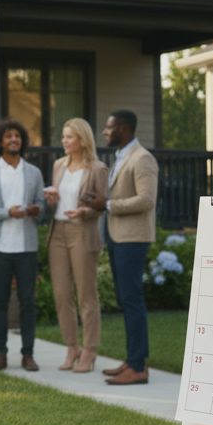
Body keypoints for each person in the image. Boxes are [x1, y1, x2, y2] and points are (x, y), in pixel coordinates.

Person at [0, 119, 47, 371]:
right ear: (0, 142)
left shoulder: (34, 173)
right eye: (8, 136)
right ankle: (0, 354)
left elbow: (42, 205)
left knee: (28, 301)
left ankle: (28, 355)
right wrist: (8, 212)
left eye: (17, 136)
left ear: (22, 141)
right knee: (0, 302)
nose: (13, 140)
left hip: (26, 248)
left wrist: (37, 209)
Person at [94, 109, 158, 386]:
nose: (105, 132)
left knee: (132, 301)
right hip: (118, 237)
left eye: (109, 128)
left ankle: (138, 366)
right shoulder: (121, 156)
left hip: (133, 239)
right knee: (126, 300)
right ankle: (132, 360)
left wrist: (107, 205)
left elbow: (147, 200)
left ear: (124, 128)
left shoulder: (142, 158)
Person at [43, 118, 109, 373]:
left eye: (69, 137)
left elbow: (100, 206)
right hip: (57, 232)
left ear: (82, 140)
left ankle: (90, 349)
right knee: (61, 295)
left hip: (82, 232)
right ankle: (72, 347)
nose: (64, 141)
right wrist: (51, 199)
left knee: (86, 295)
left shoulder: (97, 168)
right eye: (63, 137)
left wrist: (84, 211)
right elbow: (56, 202)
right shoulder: (59, 165)